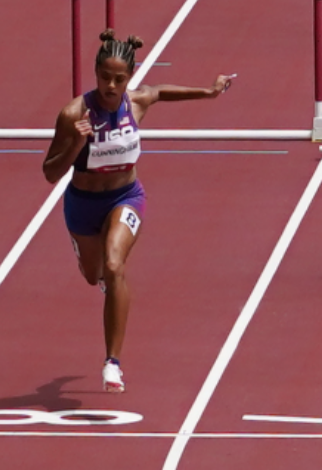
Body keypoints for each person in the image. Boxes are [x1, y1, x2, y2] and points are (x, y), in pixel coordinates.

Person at [41, 30, 232, 393]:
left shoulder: (136, 102)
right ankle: (104, 282)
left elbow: (161, 91)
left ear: (129, 78)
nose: (111, 86)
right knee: (92, 274)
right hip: (82, 204)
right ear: (95, 74)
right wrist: (78, 143)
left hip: (126, 197)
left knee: (115, 267)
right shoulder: (72, 114)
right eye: (104, 78)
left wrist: (208, 91)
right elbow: (50, 173)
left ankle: (112, 363)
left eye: (119, 79)